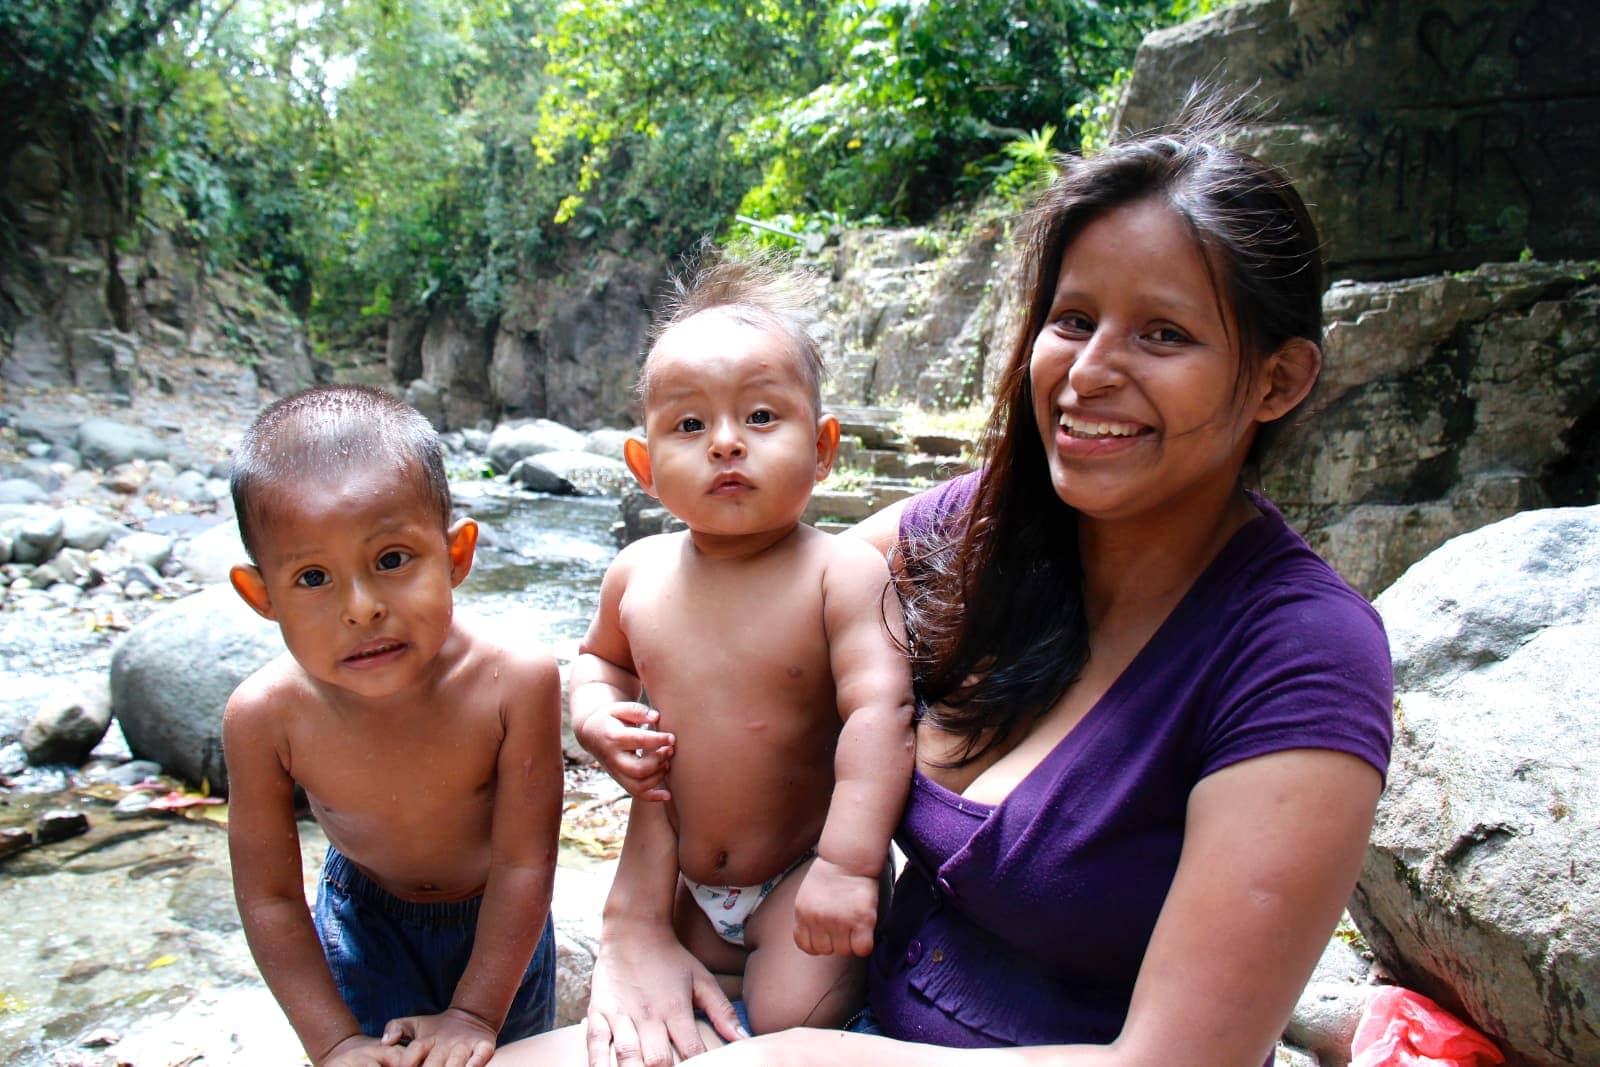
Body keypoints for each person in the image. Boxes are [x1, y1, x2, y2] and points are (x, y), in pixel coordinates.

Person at [501, 100, 1394, 1067]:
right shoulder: (976, 528)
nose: (1089, 371)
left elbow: (1181, 1061)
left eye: (1165, 334)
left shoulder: (1301, 655)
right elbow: (708, 633)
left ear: (1277, 380)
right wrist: (637, 925)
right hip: (825, 1013)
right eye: (1074, 319)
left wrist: (800, 1058)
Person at [568, 255, 917, 1059]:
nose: (726, 443)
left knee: (792, 1014)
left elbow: (882, 711)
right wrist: (594, 716)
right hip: (683, 876)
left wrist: (848, 865)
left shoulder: (839, 573)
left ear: (823, 447)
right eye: (690, 425)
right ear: (645, 465)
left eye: (762, 417)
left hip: (801, 870)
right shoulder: (638, 573)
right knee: (660, 1014)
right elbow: (599, 663)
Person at [223, 385, 564, 1067]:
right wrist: (333, 1041)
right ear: (262, 595)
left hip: (499, 924)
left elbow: (528, 861)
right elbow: (269, 897)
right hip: (363, 920)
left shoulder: (516, 681)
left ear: (457, 553)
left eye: (391, 560)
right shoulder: (266, 716)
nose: (361, 608)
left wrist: (474, 1011)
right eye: (314, 576)